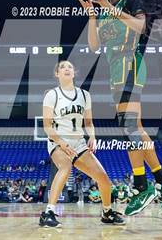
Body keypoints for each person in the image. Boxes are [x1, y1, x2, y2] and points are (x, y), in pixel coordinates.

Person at [75, 0, 162, 216]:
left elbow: (140, 26)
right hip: (115, 70)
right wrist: (93, 14)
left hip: (130, 63)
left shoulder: (132, 1)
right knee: (130, 128)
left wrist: (108, 8)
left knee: (130, 126)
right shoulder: (104, 10)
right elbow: (94, 45)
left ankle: (147, 185)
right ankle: (160, 181)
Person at [39, 60, 124, 228]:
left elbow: (89, 123)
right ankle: (48, 213)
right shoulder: (52, 95)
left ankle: (107, 213)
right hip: (58, 140)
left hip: (78, 143)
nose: (67, 68)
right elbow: (47, 127)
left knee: (104, 179)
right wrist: (61, 143)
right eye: (62, 67)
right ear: (57, 74)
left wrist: (93, 137)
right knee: (65, 168)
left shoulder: (85, 95)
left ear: (74, 73)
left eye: (70, 66)